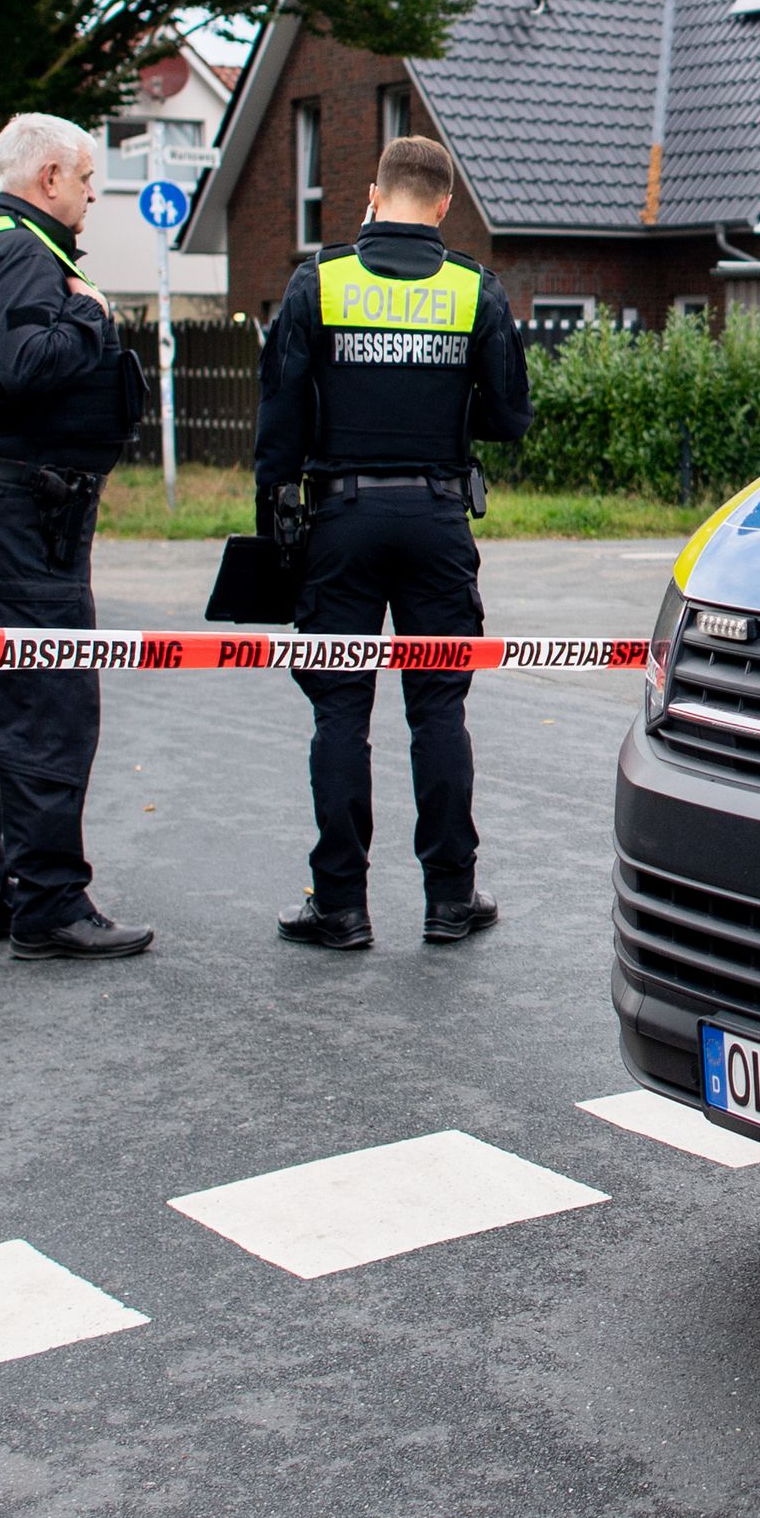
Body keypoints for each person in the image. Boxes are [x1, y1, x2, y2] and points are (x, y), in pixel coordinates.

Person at [255, 133, 532, 951]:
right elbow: (510, 417)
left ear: (373, 195)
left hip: (338, 519)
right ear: (445, 205)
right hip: (436, 518)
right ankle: (451, 898)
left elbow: (279, 417)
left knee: (340, 710)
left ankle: (339, 904)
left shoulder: (319, 282)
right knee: (438, 709)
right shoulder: (473, 289)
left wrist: (278, 507)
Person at [0, 112, 153, 960]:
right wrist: (91, 316)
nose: (94, 195)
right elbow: (26, 363)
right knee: (49, 702)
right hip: (21, 507)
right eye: (88, 179)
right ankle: (51, 903)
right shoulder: (25, 249)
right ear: (49, 175)